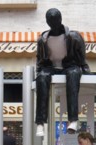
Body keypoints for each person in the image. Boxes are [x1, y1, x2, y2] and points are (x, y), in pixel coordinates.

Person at [35, 8, 90, 137]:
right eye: (50, 21)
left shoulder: (73, 36)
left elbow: (82, 55)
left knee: (73, 74)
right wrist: (38, 72)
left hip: (70, 65)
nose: (53, 23)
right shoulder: (43, 39)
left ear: (60, 19)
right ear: (47, 22)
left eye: (55, 20)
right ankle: (40, 123)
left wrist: (85, 69)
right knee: (42, 77)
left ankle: (73, 120)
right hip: (50, 67)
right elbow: (39, 58)